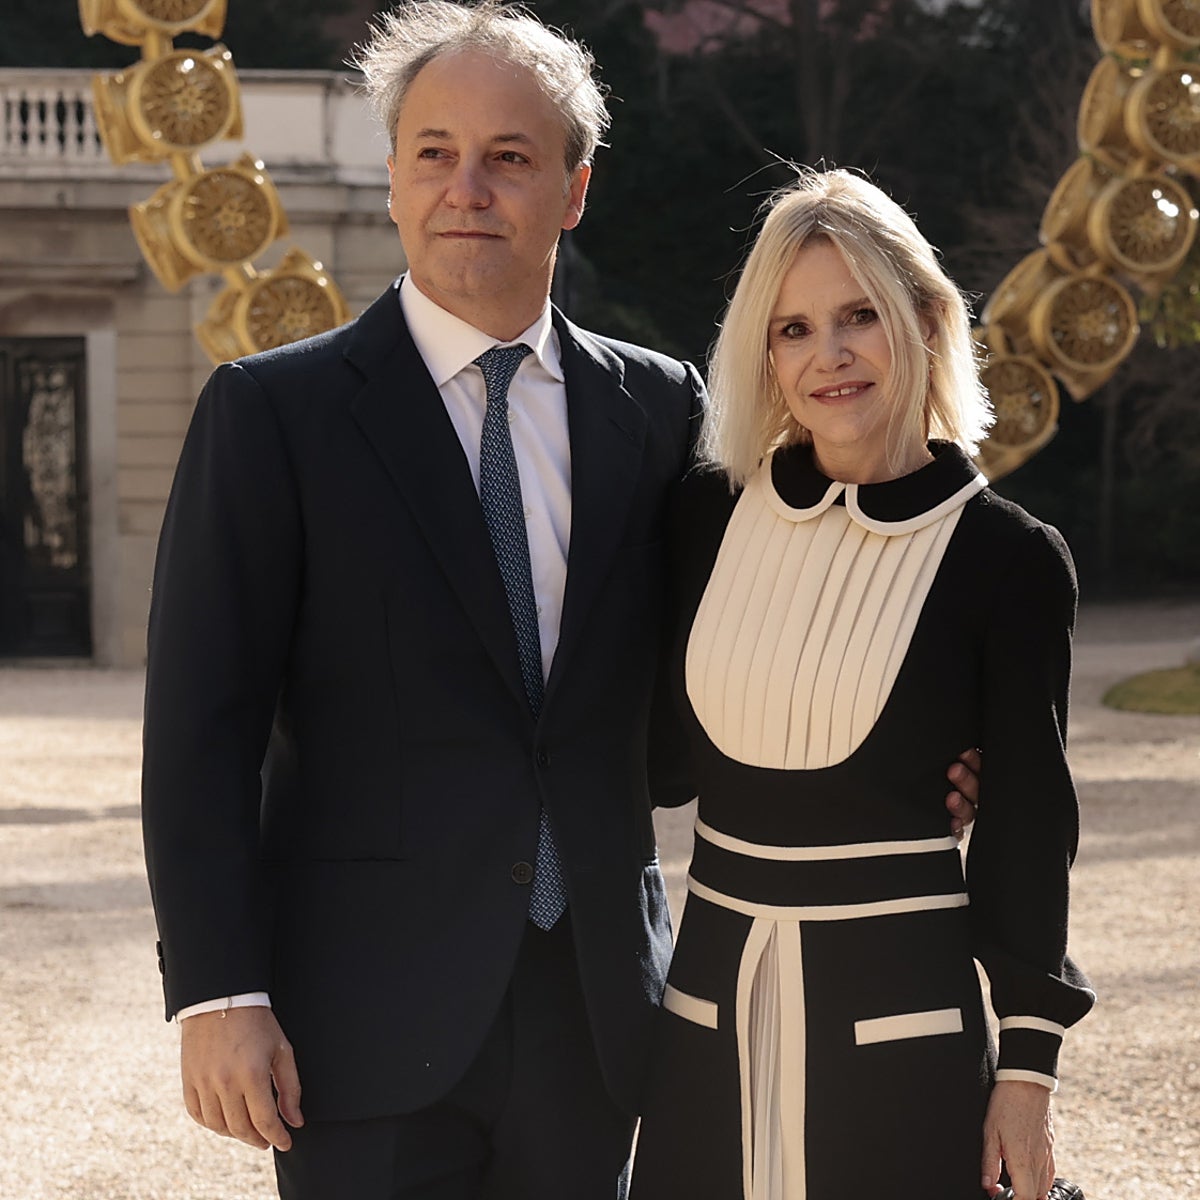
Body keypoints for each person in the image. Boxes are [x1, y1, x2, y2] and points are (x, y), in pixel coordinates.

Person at [140, 5, 979, 1199]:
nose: (467, 188)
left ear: (575, 189)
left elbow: (721, 686)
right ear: (394, 178)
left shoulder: (662, 412)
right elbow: (199, 732)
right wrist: (219, 993)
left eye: (509, 157)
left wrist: (913, 755)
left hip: (597, 1021)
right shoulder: (273, 416)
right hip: (359, 1029)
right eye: (436, 153)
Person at [629, 168, 1094, 1200]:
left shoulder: (1008, 559)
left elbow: (1030, 832)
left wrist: (1027, 1073)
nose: (828, 355)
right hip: (708, 1024)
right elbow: (658, 762)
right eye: (793, 329)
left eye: (859, 316)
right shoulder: (704, 515)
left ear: (924, 319)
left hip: (903, 1041)